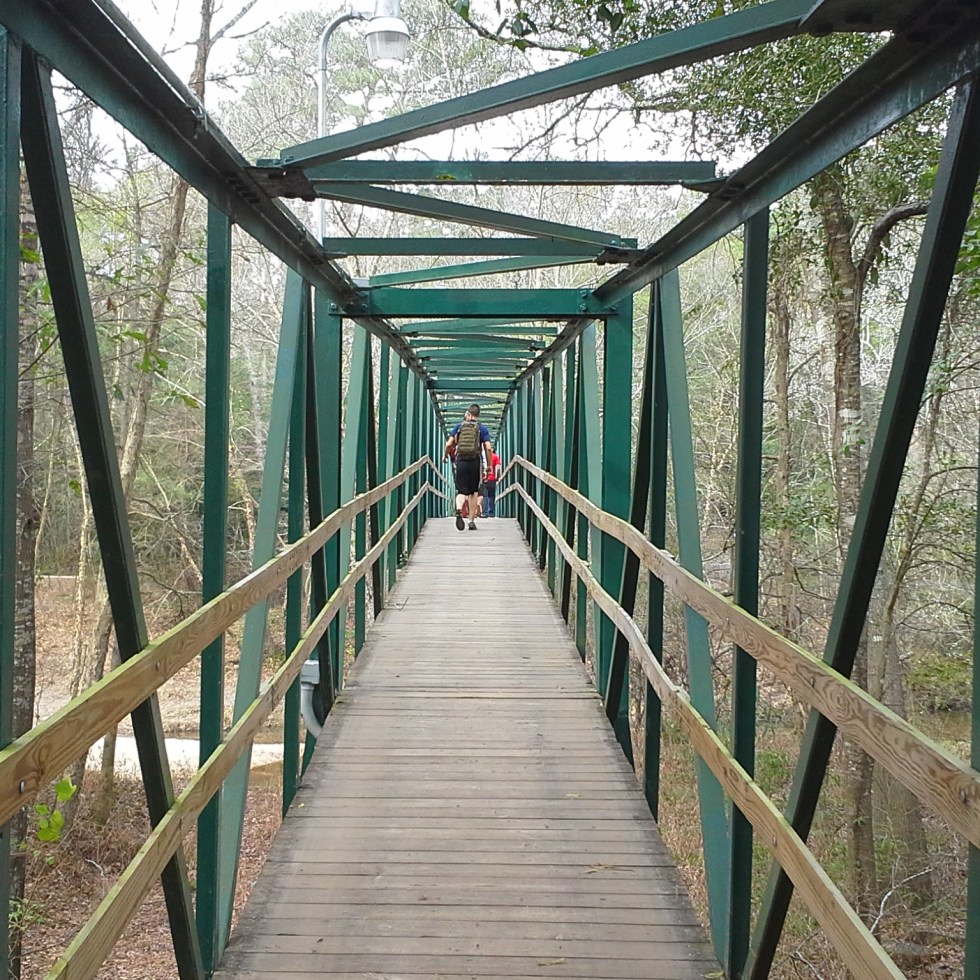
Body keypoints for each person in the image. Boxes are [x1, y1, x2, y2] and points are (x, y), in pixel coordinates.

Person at [443, 404, 492, 531]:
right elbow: (488, 448)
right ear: (478, 415)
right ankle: (471, 520)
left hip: (461, 461)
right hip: (475, 462)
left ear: (468, 414)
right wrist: (490, 465)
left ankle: (459, 509)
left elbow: (449, 444)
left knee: (461, 491)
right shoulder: (482, 428)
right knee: (473, 492)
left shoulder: (459, 427)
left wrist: (445, 456)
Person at [481, 444, 502, 517]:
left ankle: (485, 512)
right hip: (492, 479)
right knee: (492, 495)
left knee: (485, 495)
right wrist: (497, 477)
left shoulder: (483, 457)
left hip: (485, 478)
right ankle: (491, 512)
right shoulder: (495, 457)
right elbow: (498, 468)